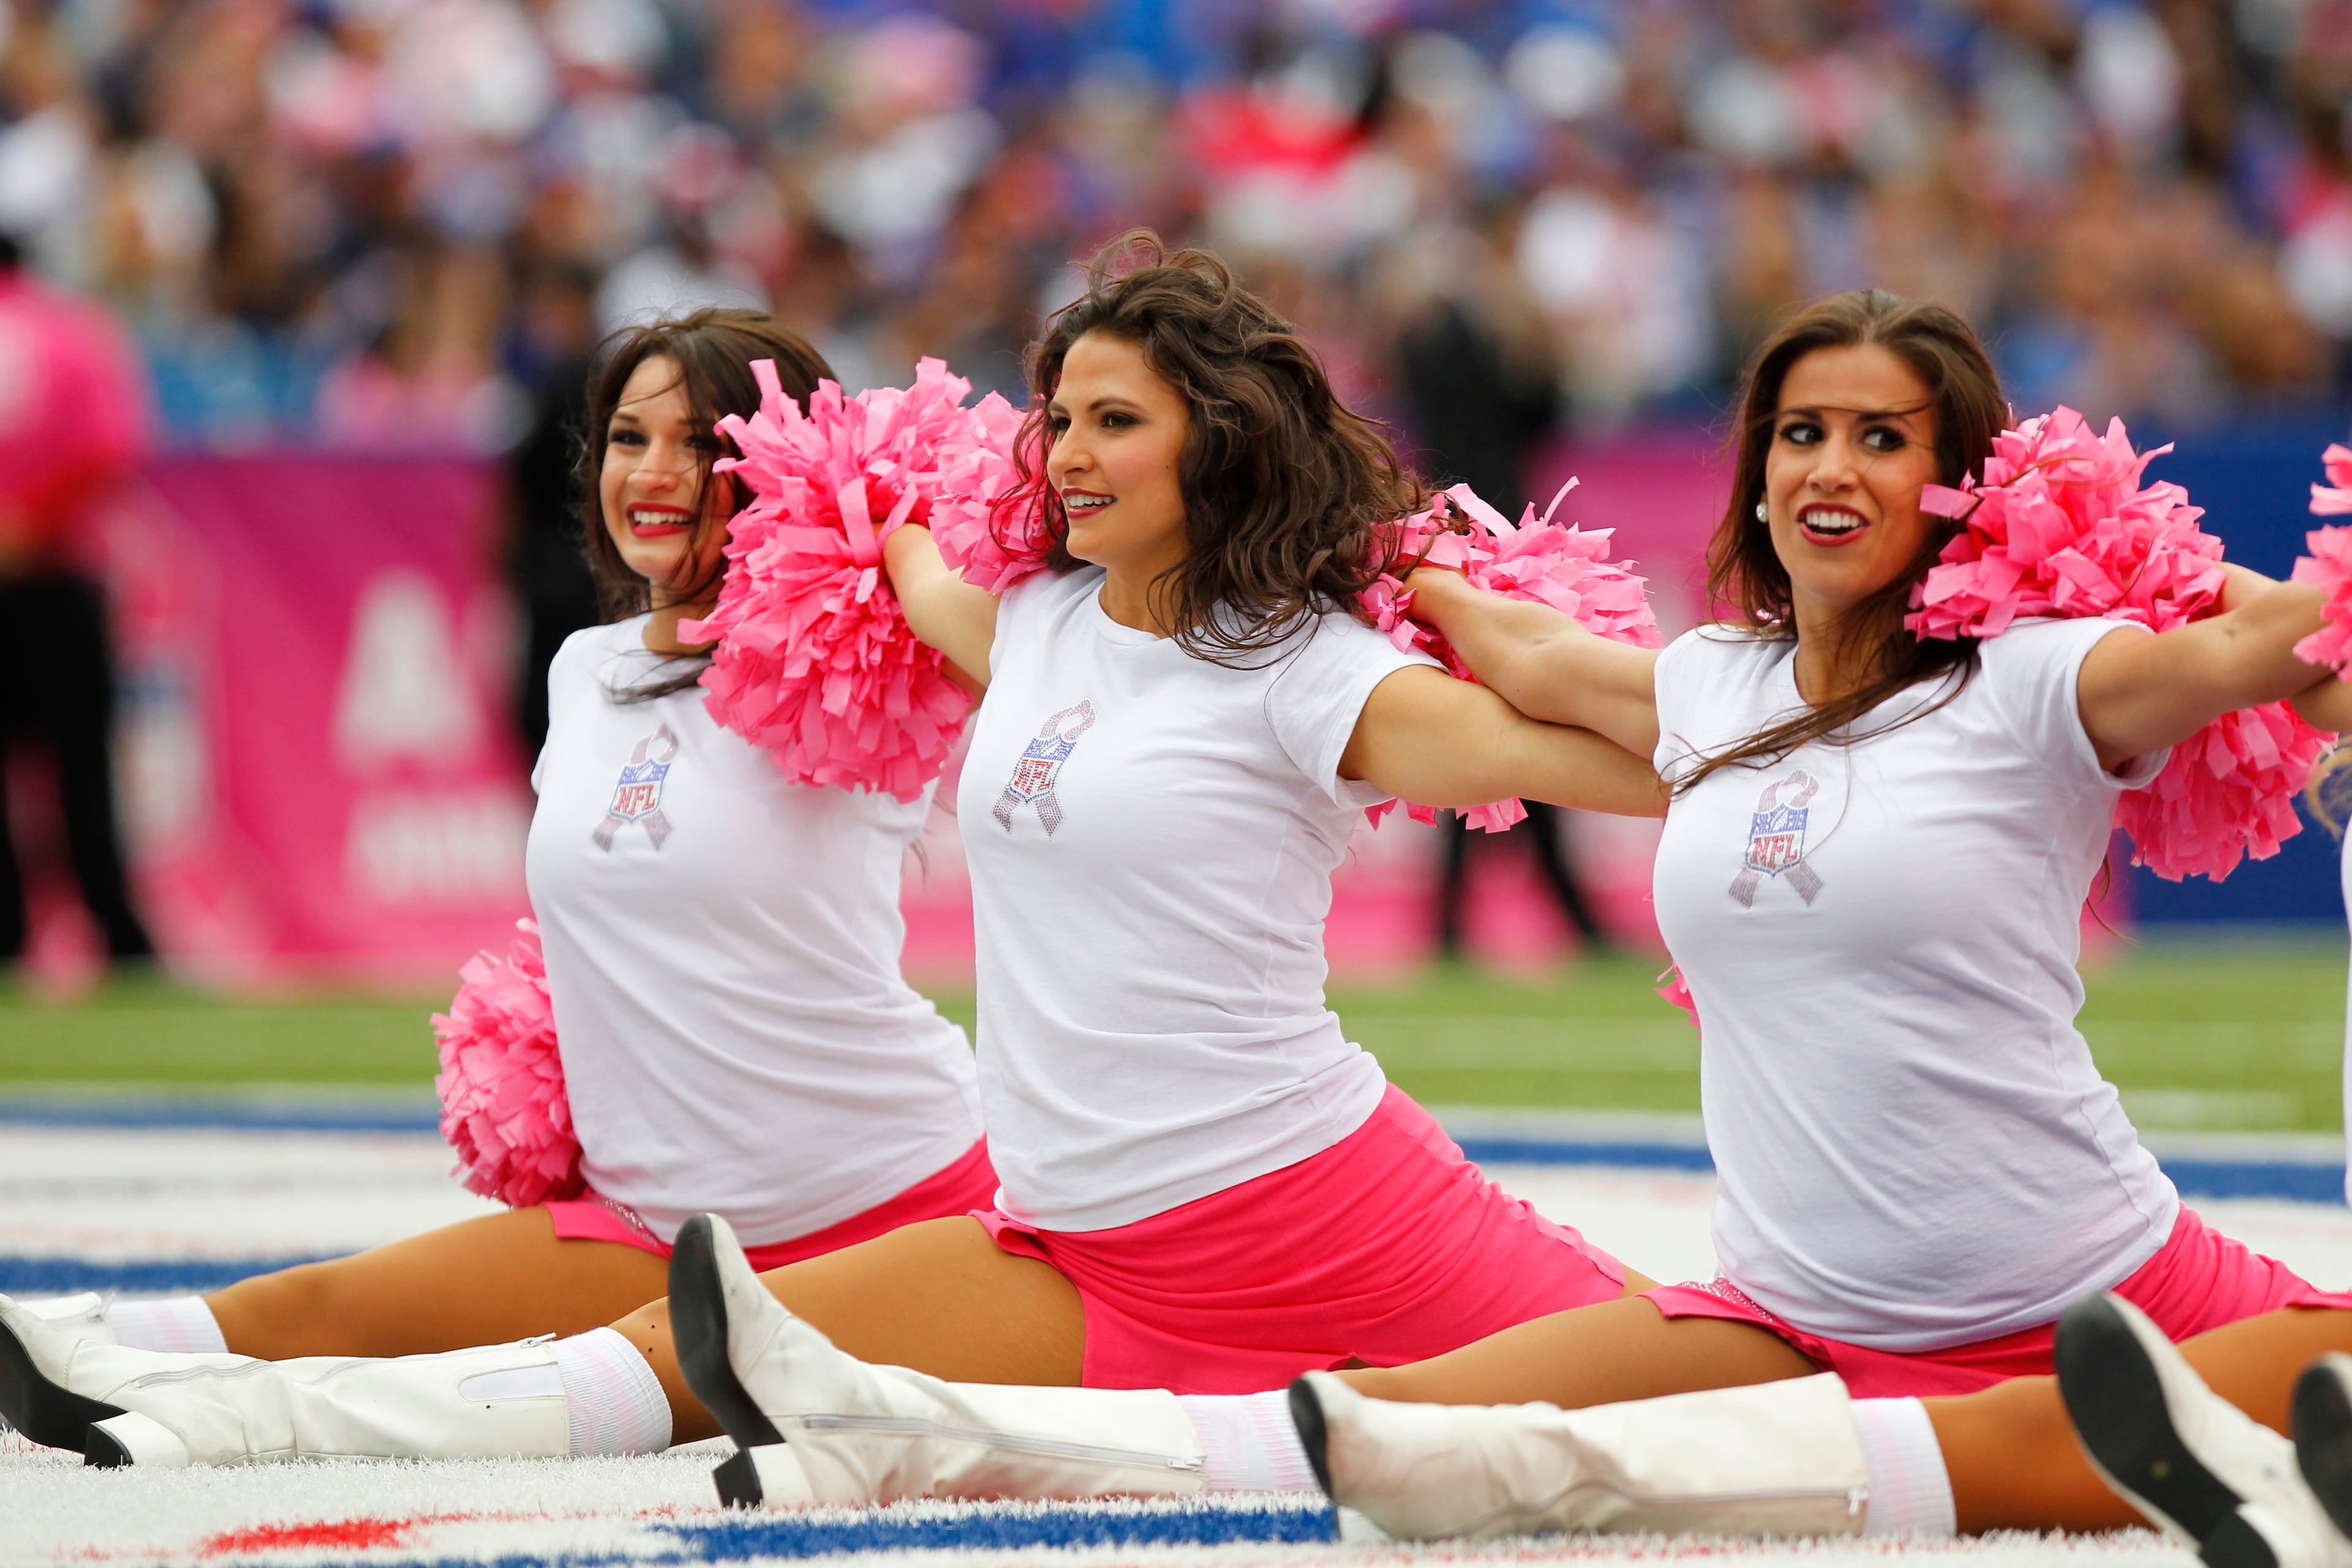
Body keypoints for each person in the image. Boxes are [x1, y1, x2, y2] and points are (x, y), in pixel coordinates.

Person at [637, 287, 2352, 1540]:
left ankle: (2177, 1442)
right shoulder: (1710, 683)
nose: (1832, 467)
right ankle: (889, 1429)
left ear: (1961, 479)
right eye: (1800, 434)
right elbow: (1527, 658)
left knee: (1635, 1465)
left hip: (2102, 1277)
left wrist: (2128, 554)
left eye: (1884, 440)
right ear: (1753, 475)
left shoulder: (2047, 681)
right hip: (1789, 1305)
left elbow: (2268, 653)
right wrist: (1395, 560)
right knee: (1383, 1440)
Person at [0, 235, 1667, 1477]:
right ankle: (184, 1422)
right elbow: (904, 549)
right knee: (715, 1357)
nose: (1068, 454)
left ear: (1215, 441)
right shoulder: (1029, 628)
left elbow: (1570, 756)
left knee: (1708, 1390)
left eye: (1115, 422)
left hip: (1309, 1199)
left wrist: (1517, 634)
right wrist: (820, 481)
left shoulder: (1305, 671)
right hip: (1075, 1228)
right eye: (1058, 420)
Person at [4, 309, 997, 1463]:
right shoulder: (587, 671)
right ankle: (85, 1347)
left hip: (894, 1213)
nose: (655, 474)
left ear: (783, 468)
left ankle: (200, 1433)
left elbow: (1012, 660)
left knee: (539, 1399)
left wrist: (889, 534)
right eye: (628, 440)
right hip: (650, 1221)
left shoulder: (868, 653)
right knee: (320, 1308)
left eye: (701, 444)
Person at [0, 231, 155, 968]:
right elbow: (108, 444)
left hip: (38, 569)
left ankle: (9, 933)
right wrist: (32, 519)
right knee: (83, 766)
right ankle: (113, 926)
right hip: (57, 571)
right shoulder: (70, 332)